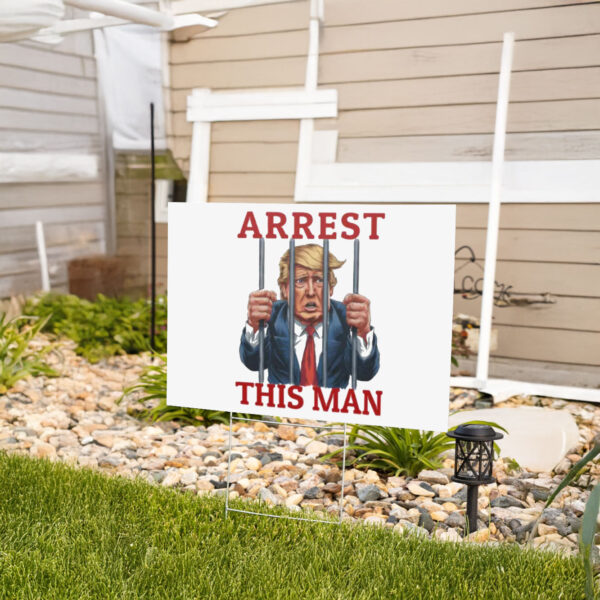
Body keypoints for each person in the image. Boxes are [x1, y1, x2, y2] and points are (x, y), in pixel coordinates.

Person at [239, 243, 380, 388]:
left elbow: (365, 373)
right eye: (300, 281)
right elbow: (253, 364)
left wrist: (363, 332)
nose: (311, 292)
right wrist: (254, 326)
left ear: (331, 288)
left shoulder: (348, 318)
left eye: (319, 280)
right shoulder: (271, 315)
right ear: (284, 289)